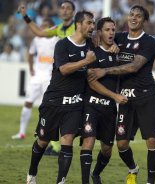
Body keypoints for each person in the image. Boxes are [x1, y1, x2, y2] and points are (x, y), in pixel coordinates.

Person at [89, 5, 155, 184]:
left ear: (144, 21)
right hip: (125, 98)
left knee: (151, 140)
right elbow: (96, 38)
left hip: (146, 97)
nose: (133, 18)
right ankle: (133, 168)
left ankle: (150, 181)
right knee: (121, 145)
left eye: (138, 16)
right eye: (131, 14)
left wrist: (104, 72)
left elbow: (134, 66)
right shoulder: (119, 37)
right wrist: (105, 41)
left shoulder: (149, 41)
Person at [26, 10, 96, 184]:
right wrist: (85, 62)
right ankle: (32, 174)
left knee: (67, 141)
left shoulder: (91, 46)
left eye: (93, 23)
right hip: (53, 101)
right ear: (78, 24)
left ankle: (61, 181)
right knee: (42, 141)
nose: (92, 26)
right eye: (89, 22)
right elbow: (64, 69)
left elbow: (109, 38)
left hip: (74, 104)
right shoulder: (62, 45)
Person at [18, 0, 76, 155]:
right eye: (62, 8)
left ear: (73, 12)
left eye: (68, 8)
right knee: (54, 108)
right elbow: (39, 32)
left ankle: (60, 145)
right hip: (62, 77)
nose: (64, 10)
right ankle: (57, 146)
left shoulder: (77, 28)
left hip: (76, 76)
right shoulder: (58, 29)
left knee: (62, 110)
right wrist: (25, 16)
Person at [80, 17, 128, 184]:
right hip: (92, 105)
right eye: (107, 30)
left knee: (107, 150)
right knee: (89, 141)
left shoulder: (118, 54)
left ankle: (96, 174)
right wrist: (115, 96)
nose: (111, 33)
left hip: (109, 110)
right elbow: (92, 82)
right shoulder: (92, 53)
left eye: (113, 30)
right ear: (99, 33)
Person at [11, 18, 59, 140]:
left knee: (48, 106)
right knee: (28, 102)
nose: (42, 27)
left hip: (49, 77)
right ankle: (21, 132)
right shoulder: (37, 39)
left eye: (46, 25)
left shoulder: (57, 40)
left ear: (52, 27)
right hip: (37, 75)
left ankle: (46, 133)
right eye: (42, 25)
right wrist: (31, 68)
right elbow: (31, 54)